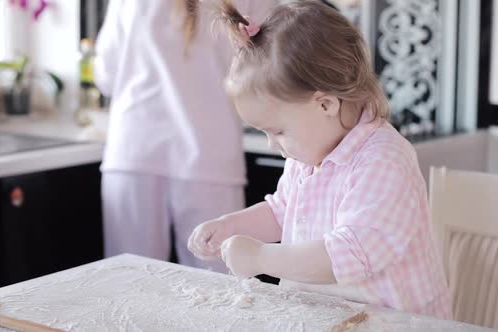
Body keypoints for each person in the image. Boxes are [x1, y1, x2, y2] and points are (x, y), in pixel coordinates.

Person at [188, 0, 452, 318]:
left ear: (326, 105)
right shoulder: (307, 153)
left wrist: (260, 258)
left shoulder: (383, 162)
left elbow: (347, 257)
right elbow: (281, 212)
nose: (273, 145)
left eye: (278, 131)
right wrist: (231, 226)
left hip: (396, 324)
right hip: (329, 317)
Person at [94, 0, 276, 272]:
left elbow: (105, 75)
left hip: (134, 150)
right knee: (217, 289)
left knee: (127, 284)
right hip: (209, 152)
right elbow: (266, 73)